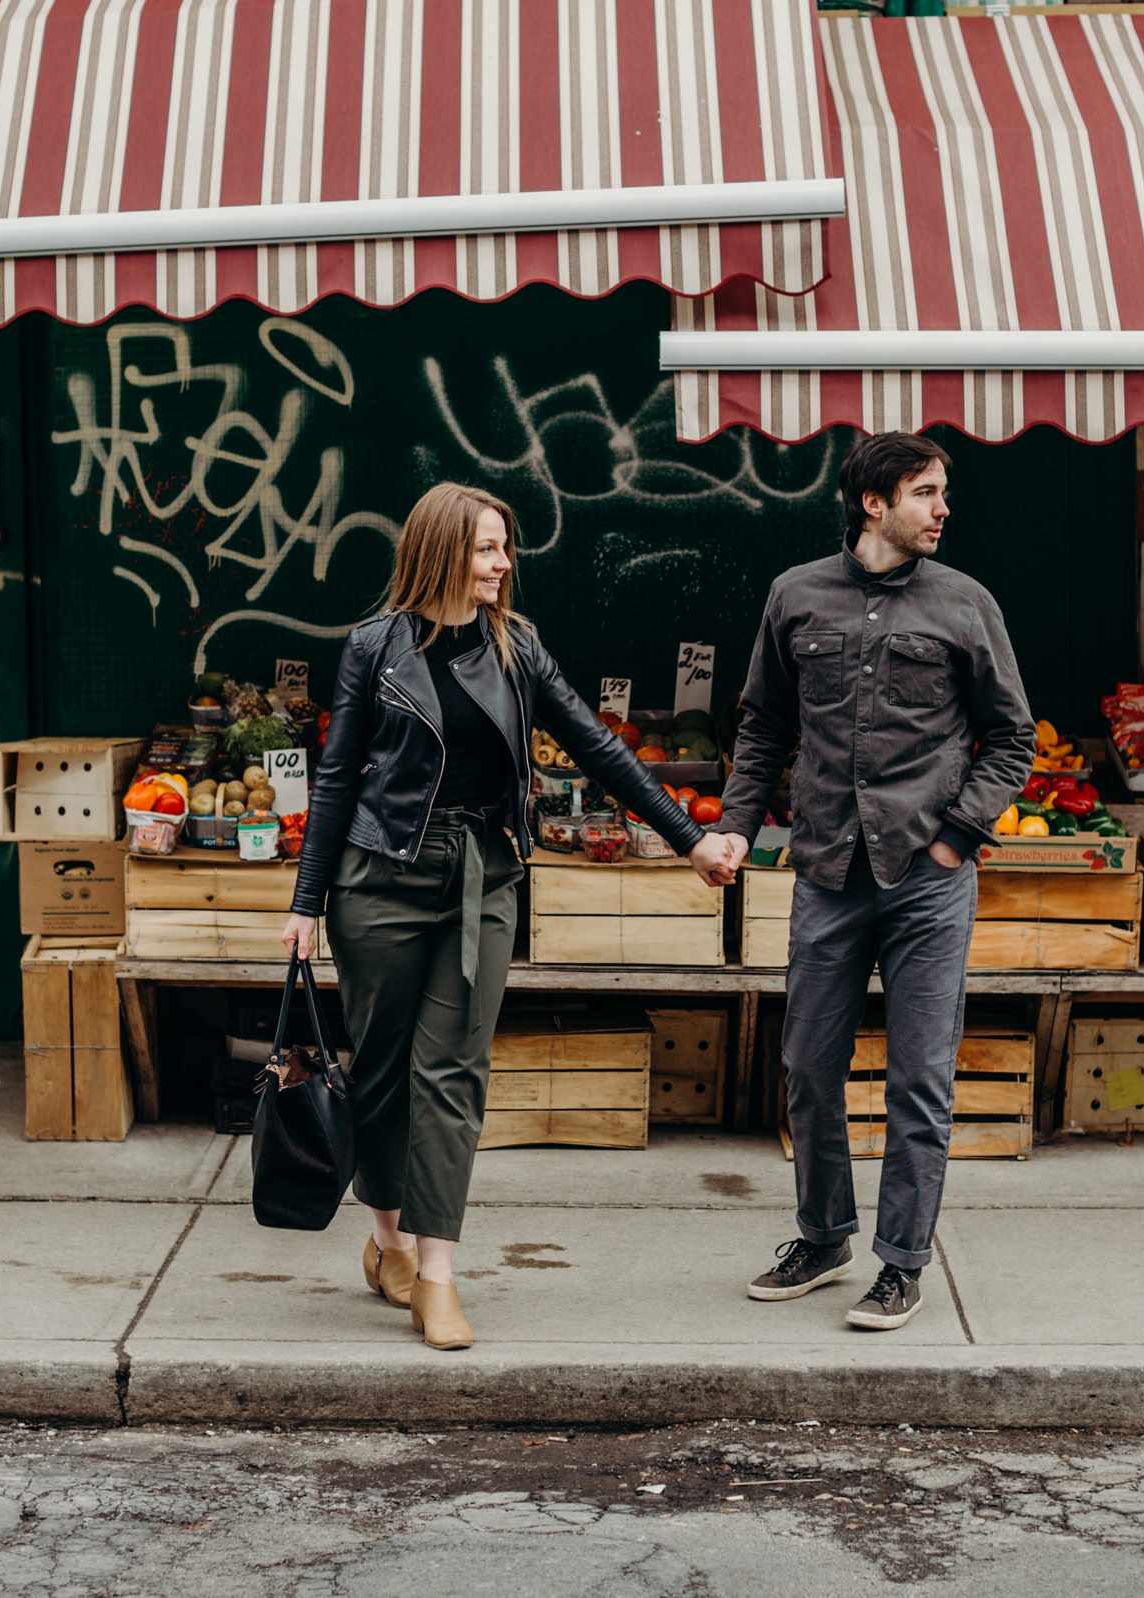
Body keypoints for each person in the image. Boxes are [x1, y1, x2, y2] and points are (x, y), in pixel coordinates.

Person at [280, 482, 734, 1351]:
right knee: (379, 1070)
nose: (502, 563)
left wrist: (688, 839)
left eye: (503, 547)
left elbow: (600, 748)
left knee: (452, 1073)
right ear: (445, 550)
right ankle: (385, 1246)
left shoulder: (517, 646)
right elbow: (337, 778)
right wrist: (307, 903)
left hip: (481, 877)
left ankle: (439, 1273)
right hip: (378, 878)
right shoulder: (373, 647)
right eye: (488, 548)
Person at [702, 432, 1034, 1332]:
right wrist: (734, 829)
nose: (942, 508)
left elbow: (1013, 739)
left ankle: (901, 1263)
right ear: (873, 503)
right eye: (926, 492)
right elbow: (764, 727)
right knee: (809, 1067)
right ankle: (823, 1236)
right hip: (827, 872)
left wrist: (956, 839)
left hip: (928, 880)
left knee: (918, 1081)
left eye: (942, 492)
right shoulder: (795, 596)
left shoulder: (965, 603)